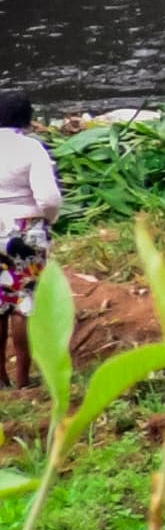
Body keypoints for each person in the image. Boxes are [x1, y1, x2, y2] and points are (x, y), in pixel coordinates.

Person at [0, 100, 53, 387]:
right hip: (25, 228)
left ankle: (0, 378)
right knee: (23, 301)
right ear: (27, 119)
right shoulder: (31, 148)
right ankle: (23, 378)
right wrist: (47, 219)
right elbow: (49, 198)